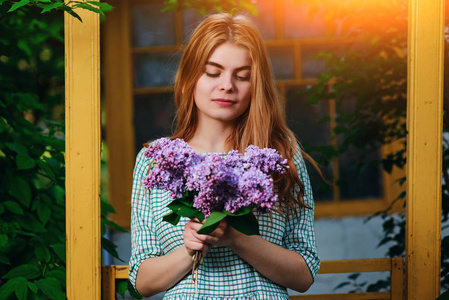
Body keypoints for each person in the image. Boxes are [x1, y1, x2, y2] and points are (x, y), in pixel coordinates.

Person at [129, 12, 320, 299]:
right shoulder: (156, 160)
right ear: (190, 78)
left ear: (256, 85)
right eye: (213, 72)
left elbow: (304, 274)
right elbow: (142, 281)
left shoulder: (280, 153)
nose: (227, 85)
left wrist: (236, 238)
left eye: (242, 76)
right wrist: (191, 247)